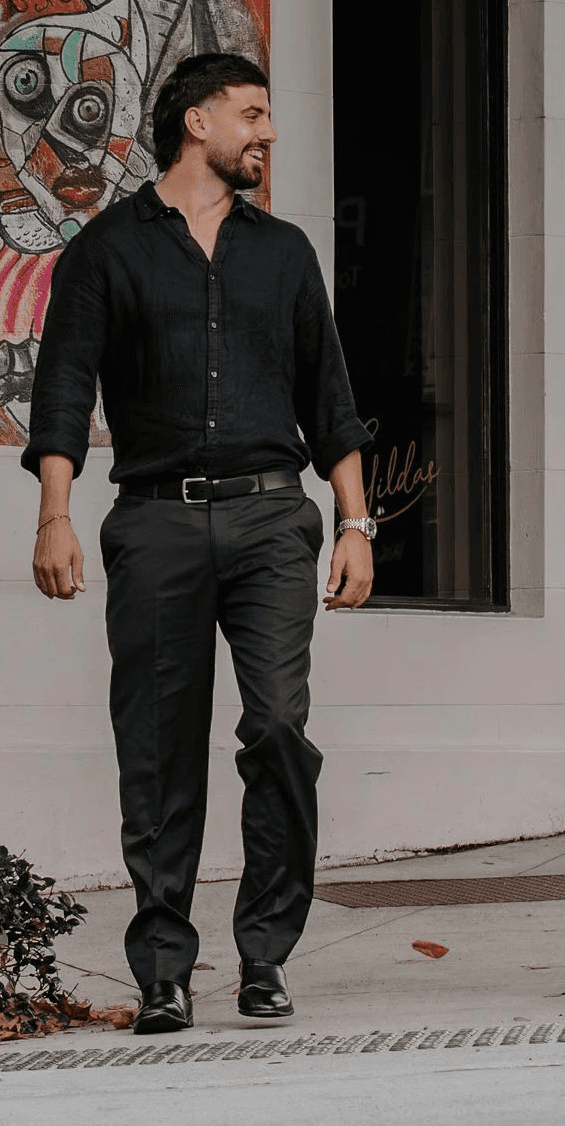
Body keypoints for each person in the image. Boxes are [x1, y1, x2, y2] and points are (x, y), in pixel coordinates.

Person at [24, 53, 376, 1035]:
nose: (268, 132)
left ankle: (263, 955)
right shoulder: (106, 250)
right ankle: (164, 968)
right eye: (253, 114)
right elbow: (63, 391)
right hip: (156, 522)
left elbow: (331, 400)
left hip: (273, 518)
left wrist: (355, 524)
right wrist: (54, 514)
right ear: (196, 122)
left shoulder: (286, 253)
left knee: (277, 730)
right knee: (159, 750)